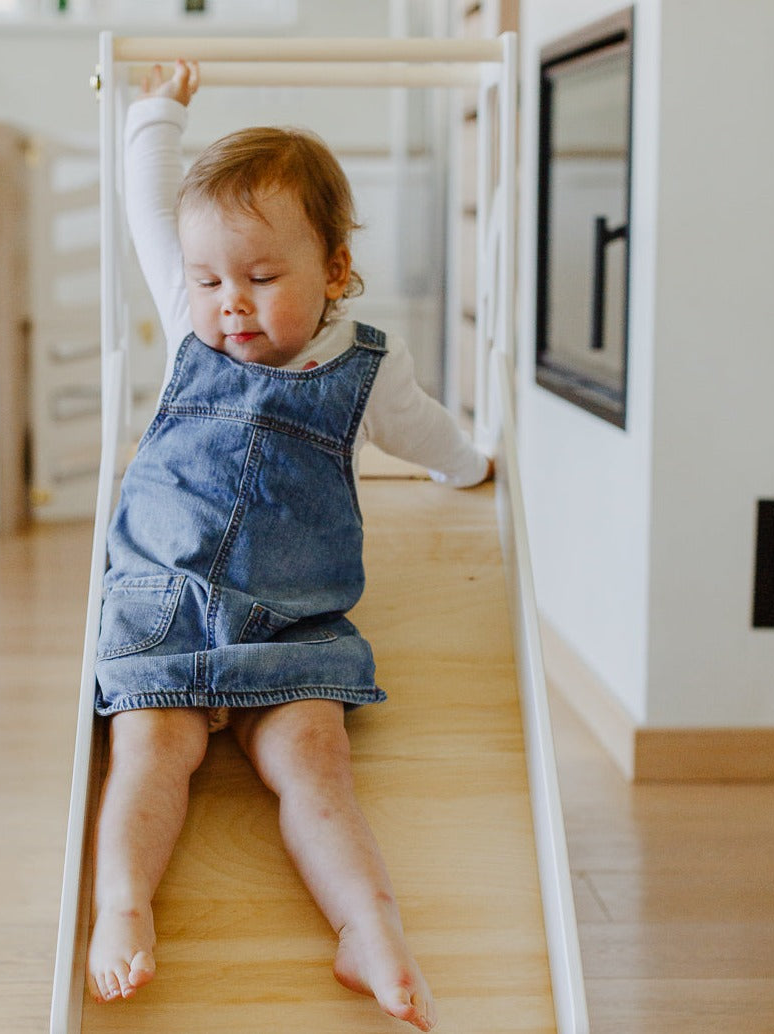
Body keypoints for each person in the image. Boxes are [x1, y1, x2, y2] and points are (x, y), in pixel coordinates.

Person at [87, 60, 493, 1033]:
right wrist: (156, 114)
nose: (230, 301)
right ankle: (123, 907)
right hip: (166, 601)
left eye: (262, 278)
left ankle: (368, 926)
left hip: (294, 621)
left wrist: (469, 467)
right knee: (150, 749)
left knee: (314, 760)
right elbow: (149, 209)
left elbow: (423, 431)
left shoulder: (367, 368)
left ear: (334, 273)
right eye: (210, 280)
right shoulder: (191, 325)